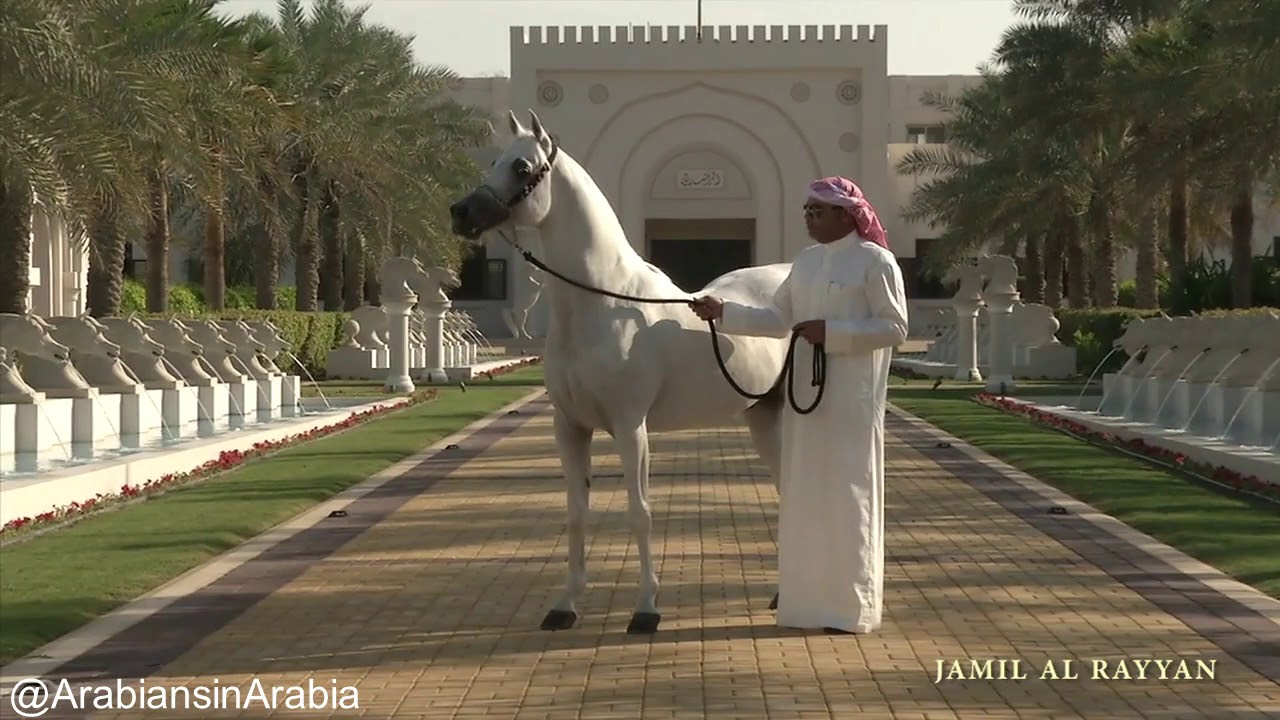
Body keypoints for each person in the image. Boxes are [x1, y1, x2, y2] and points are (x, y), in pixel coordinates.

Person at [689, 176, 909, 634]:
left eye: (818, 211)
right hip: (806, 401)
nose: (809, 218)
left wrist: (835, 333)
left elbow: (895, 328)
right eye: (806, 210)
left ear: (846, 215)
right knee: (805, 496)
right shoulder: (806, 263)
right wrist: (723, 312)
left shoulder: (877, 262)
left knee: (849, 498)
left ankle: (850, 610)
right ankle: (805, 605)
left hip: (851, 398)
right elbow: (776, 319)